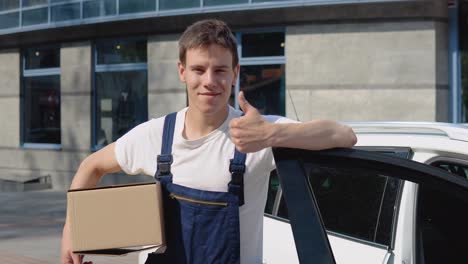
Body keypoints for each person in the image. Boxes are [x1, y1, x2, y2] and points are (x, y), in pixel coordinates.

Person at [61, 19, 357, 264]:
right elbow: (92, 166)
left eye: (220, 70)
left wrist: (272, 135)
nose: (209, 81)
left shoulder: (257, 133)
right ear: (182, 72)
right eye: (198, 69)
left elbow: (344, 135)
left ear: (235, 73)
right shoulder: (156, 135)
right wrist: (72, 229)